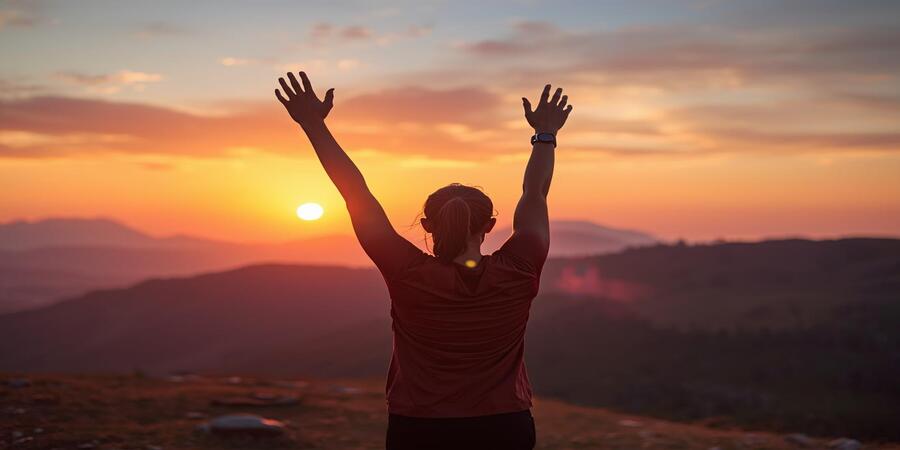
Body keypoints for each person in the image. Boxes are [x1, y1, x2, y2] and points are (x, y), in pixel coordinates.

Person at [276, 71, 572, 450]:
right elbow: (536, 193)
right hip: (504, 425)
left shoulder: (408, 274)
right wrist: (545, 136)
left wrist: (313, 124)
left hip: (419, 427)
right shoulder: (520, 267)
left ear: (429, 226)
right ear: (491, 226)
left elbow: (355, 194)